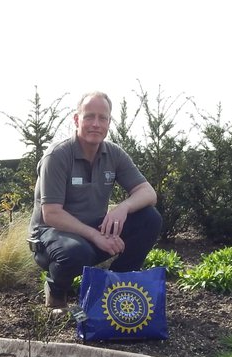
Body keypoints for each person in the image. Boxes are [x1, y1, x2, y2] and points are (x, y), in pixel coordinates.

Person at [30, 92, 161, 308]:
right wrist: (96, 236)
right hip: (52, 234)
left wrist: (123, 208)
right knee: (76, 253)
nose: (96, 124)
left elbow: (148, 193)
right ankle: (56, 289)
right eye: (89, 116)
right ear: (76, 119)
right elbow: (51, 214)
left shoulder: (113, 154)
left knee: (150, 218)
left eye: (103, 118)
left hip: (92, 230)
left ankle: (112, 287)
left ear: (109, 122)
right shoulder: (57, 156)